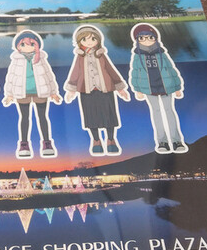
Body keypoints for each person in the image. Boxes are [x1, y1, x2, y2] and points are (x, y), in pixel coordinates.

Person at [64, 25, 130, 156]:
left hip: (105, 89)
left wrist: (120, 88)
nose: (89, 42)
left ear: (98, 40)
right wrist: (71, 89)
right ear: (79, 41)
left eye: (93, 39)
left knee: (109, 115)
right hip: (86, 90)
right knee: (90, 116)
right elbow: (76, 72)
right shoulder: (80, 57)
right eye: (85, 39)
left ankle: (111, 140)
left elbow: (110, 70)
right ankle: (96, 140)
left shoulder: (101, 55)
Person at [128, 23, 187, 154]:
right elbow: (135, 72)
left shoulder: (162, 53)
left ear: (155, 38)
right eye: (142, 38)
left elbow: (171, 69)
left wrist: (177, 86)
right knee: (156, 112)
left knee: (169, 111)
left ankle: (176, 141)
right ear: (137, 40)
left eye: (150, 37)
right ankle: (162, 142)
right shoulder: (137, 55)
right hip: (148, 88)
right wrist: (137, 89)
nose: (146, 41)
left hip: (166, 86)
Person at [3, 30, 62, 159]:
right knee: (24, 118)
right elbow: (11, 77)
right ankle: (24, 144)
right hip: (22, 92)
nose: (27, 47)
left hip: (40, 92)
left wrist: (53, 92)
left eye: (31, 44)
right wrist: (9, 94)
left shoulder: (41, 59)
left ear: (37, 46)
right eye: (23, 44)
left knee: (42, 117)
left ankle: (47, 143)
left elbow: (48, 75)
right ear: (18, 46)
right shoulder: (16, 60)